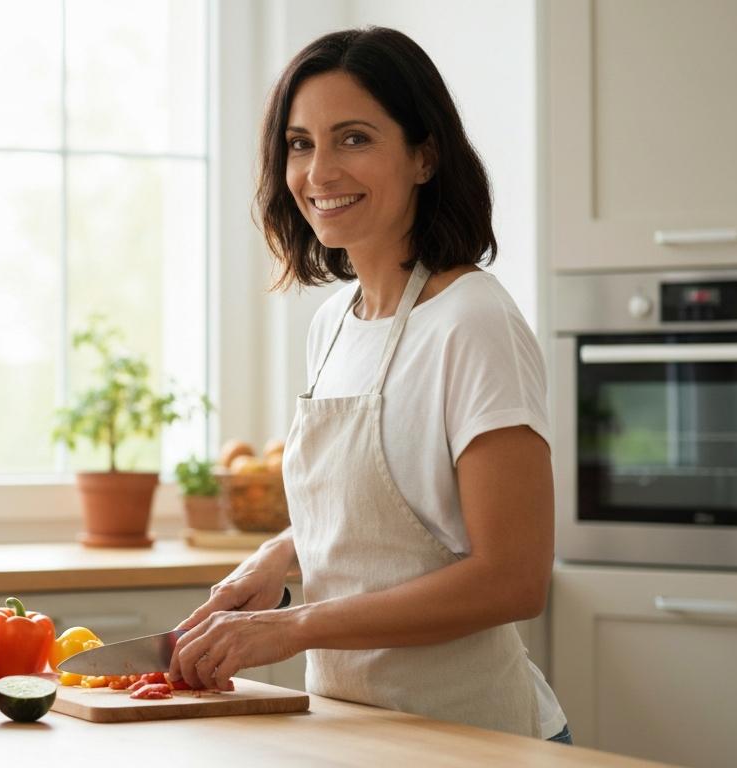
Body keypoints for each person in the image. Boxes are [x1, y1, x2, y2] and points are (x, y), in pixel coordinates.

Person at [167, 27, 571, 744]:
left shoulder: (472, 321)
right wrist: (281, 555)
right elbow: (396, 509)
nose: (319, 172)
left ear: (424, 155)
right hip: (355, 730)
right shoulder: (333, 323)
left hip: (472, 740)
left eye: (353, 139)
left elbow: (514, 577)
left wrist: (291, 627)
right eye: (299, 144)